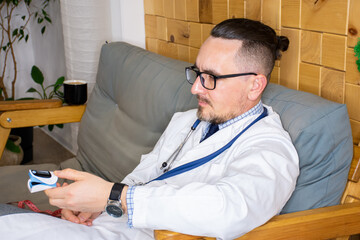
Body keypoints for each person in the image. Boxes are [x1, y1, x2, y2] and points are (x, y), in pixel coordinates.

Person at [0, 18, 298, 239]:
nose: (196, 87)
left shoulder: (270, 149)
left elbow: (230, 209)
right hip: (109, 225)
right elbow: (145, 175)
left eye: (211, 77)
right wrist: (101, 206)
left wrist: (114, 197)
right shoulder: (189, 120)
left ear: (255, 85)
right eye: (196, 72)